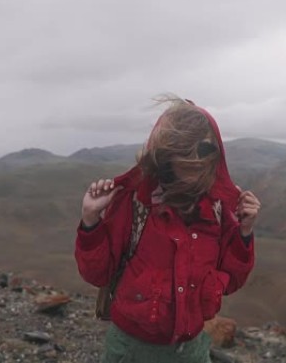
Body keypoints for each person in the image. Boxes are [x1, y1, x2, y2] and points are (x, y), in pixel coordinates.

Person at [74, 96, 260, 363]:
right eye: (184, 148)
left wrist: (245, 231)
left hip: (191, 349)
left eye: (205, 149)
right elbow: (96, 273)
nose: (195, 158)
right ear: (165, 152)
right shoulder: (136, 202)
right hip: (131, 350)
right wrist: (91, 219)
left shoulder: (219, 210)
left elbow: (233, 279)